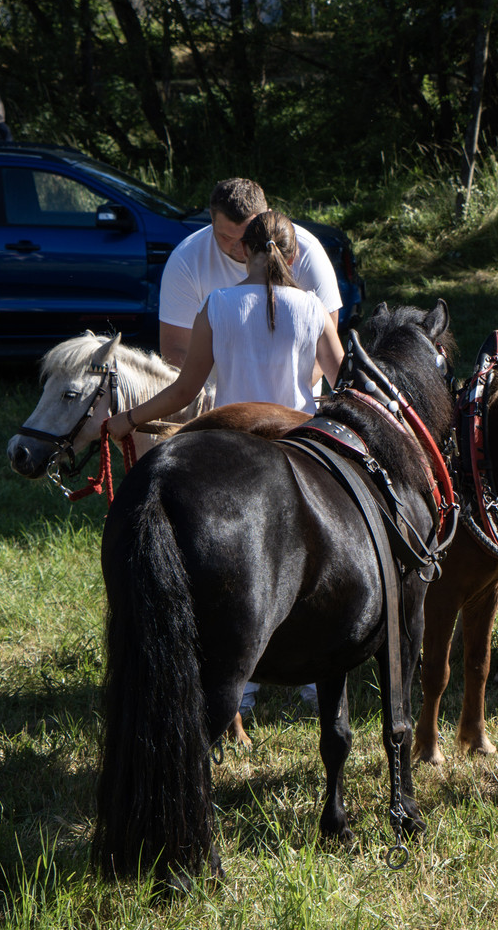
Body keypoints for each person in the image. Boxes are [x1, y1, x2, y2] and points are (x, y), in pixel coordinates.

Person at [107, 210, 343, 720]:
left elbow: (184, 391)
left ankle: (242, 688)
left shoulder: (216, 305)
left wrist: (129, 419)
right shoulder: (312, 308)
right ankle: (312, 683)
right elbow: (342, 381)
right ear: (293, 255)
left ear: (243, 252)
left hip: (232, 450)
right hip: (300, 450)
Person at [158, 178, 342, 377]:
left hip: (297, 396)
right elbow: (176, 349)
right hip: (214, 396)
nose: (239, 247)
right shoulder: (186, 258)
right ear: (211, 218)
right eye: (226, 237)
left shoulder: (307, 250)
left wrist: (287, 392)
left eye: (247, 236)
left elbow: (326, 351)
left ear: (267, 217)